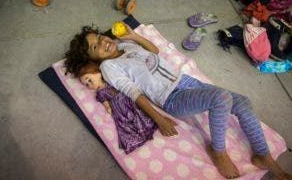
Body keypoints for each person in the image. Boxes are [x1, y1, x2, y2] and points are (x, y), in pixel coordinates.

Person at [64, 24, 291, 179]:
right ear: (92, 59)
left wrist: (133, 37)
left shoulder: (124, 46)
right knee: (221, 99)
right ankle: (218, 151)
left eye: (100, 37)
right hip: (171, 97)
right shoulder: (108, 67)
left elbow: (154, 50)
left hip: (186, 81)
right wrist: (159, 118)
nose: (104, 41)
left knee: (242, 101)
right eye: (95, 46)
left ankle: (263, 155)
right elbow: (133, 92)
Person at [78, 61, 157, 154]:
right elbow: (105, 102)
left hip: (126, 99)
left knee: (138, 112)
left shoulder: (109, 79)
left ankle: (147, 126)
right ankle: (138, 134)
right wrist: (108, 108)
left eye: (89, 80)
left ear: (98, 73)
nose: (89, 84)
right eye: (87, 84)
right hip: (118, 108)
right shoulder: (100, 93)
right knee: (126, 121)